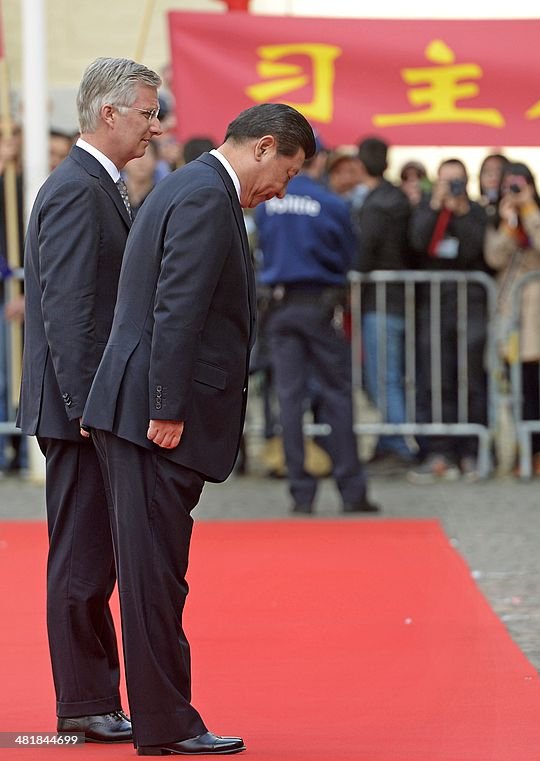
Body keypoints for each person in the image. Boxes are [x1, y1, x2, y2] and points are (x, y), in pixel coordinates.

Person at [82, 102, 314, 756]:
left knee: (154, 573)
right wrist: (166, 404)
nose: (282, 190)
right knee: (155, 576)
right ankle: (169, 723)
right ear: (264, 147)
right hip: (151, 416)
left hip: (139, 407)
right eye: (287, 172)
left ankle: (165, 718)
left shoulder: (190, 185)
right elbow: (176, 306)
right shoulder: (208, 197)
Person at [19, 57, 162, 744]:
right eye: (146, 112)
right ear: (110, 113)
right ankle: (82, 699)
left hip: (86, 405)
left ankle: (92, 694)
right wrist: (87, 409)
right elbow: (71, 311)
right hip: (80, 411)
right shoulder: (78, 189)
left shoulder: (92, 183)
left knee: (92, 554)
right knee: (81, 557)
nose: (154, 126)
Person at [253, 142, 379, 514]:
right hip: (320, 305)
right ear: (319, 160)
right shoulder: (332, 204)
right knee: (337, 396)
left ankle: (300, 493)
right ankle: (351, 490)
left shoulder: (268, 203)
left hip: (280, 306)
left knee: (290, 400)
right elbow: (348, 253)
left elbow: (262, 246)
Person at [407, 158, 490, 482]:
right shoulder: (427, 209)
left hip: (469, 301)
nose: (452, 186)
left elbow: (475, 250)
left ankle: (470, 451)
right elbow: (418, 244)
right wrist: (435, 207)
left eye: (457, 180)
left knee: (468, 376)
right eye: (446, 181)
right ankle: (437, 451)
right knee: (433, 376)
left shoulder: (477, 213)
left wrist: (461, 212)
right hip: (433, 303)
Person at [484, 161, 540, 476]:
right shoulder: (496, 215)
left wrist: (529, 208)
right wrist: (508, 221)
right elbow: (493, 256)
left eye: (520, 184)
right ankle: (522, 448)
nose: (515, 190)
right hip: (511, 309)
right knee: (519, 386)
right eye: (510, 185)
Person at [354, 136, 417, 469]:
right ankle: (389, 438)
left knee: (383, 376)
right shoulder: (399, 199)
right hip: (401, 297)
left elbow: (365, 252)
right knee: (391, 374)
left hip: (380, 300)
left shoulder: (375, 204)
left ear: (361, 165)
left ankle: (399, 443)